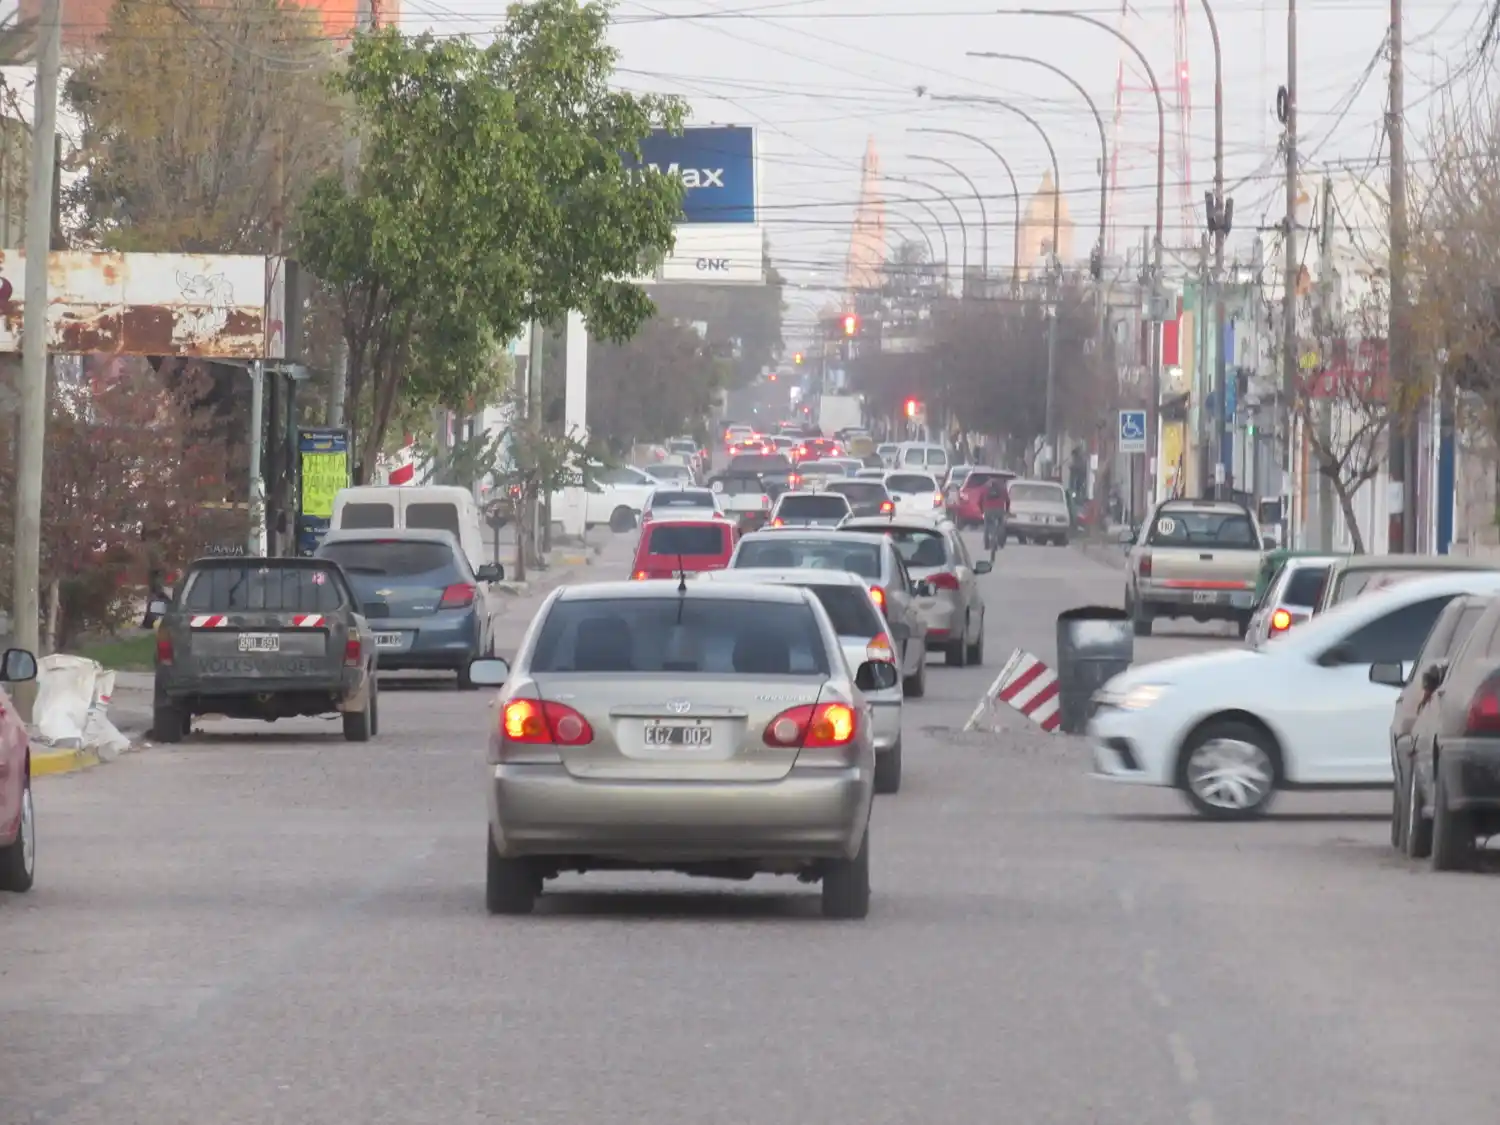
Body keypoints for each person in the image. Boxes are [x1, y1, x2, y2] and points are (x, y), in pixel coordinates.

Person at [982, 478, 1008, 556]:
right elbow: (1007, 500)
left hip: (988, 510)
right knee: (1001, 524)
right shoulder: (1002, 489)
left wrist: (982, 510)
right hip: (999, 510)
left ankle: (986, 544)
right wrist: (1006, 510)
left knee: (987, 526)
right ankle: (1000, 542)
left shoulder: (985, 489)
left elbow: (979, 501)